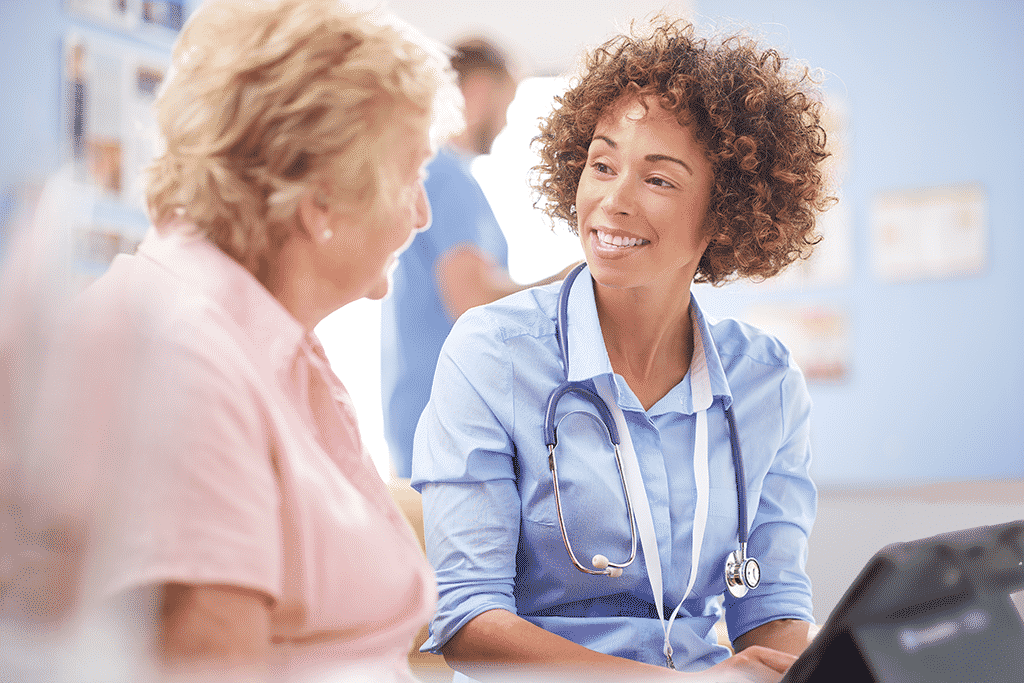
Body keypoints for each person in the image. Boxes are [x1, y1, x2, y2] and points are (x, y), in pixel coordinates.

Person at [13, 0, 461, 680]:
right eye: (411, 175)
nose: (423, 213)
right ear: (323, 198)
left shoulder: (266, 342)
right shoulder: (187, 357)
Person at [412, 16, 835, 683]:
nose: (612, 201)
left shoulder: (766, 380)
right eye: (601, 165)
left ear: (724, 212)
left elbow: (772, 602)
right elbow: (468, 624)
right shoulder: (495, 353)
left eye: (658, 180)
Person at [380, 37, 577, 479]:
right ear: (481, 92)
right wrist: (565, 284)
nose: (507, 121)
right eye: (506, 104)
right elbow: (470, 298)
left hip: (424, 425)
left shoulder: (435, 175)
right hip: (446, 434)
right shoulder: (448, 178)